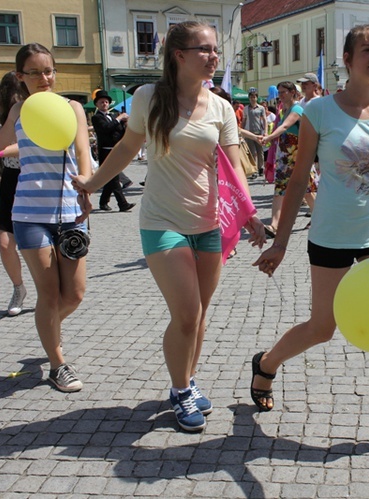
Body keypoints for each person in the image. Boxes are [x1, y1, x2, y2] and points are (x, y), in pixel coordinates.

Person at [250, 24, 369, 465]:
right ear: (349, 59)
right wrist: (280, 243)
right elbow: (299, 179)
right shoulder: (319, 111)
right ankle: (266, 364)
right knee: (323, 328)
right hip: (331, 235)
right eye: (368, 50)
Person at [72, 21, 265, 432]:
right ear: (179, 55)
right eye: (205, 49)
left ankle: (188, 382)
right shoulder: (148, 98)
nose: (214, 56)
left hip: (209, 222)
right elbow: (126, 147)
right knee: (186, 314)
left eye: (216, 50)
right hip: (162, 221)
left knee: (200, 314)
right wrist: (92, 183)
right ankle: (180, 391)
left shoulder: (221, 107)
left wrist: (248, 212)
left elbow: (233, 163)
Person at [0, 43, 92, 392]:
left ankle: (47, 328)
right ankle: (57, 363)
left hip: (71, 212)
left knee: (74, 295)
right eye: (34, 72)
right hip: (30, 213)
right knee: (48, 293)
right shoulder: (19, 110)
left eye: (48, 71)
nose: (44, 78)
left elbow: (82, 153)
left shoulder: (72, 107)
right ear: (21, 76)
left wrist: (87, 188)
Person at [260, 81, 319, 237]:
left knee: (308, 192)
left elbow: (285, 126)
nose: (280, 95)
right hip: (285, 158)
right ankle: (274, 225)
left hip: (299, 158)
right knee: (279, 191)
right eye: (279, 92)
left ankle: (319, 218)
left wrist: (269, 137)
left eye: (283, 92)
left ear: (293, 92)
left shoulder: (297, 109)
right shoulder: (283, 110)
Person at [0, 71, 28, 317]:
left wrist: (1, 149)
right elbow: (0, 143)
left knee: (36, 245)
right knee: (5, 243)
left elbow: (30, 144)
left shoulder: (36, 108)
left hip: (36, 177)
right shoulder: (9, 115)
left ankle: (50, 291)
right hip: (11, 178)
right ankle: (19, 288)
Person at [90, 90, 136, 212]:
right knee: (114, 178)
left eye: (106, 102)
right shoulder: (96, 118)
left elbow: (120, 133)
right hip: (106, 151)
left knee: (109, 178)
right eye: (101, 102)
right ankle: (123, 204)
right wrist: (119, 119)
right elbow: (106, 129)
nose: (104, 104)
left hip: (117, 150)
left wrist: (125, 124)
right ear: (97, 104)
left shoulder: (113, 117)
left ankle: (103, 202)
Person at [241, 89, 267, 171]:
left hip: (258, 131)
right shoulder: (245, 108)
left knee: (260, 151)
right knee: (251, 152)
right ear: (249, 98)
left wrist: (265, 131)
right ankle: (253, 169)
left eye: (254, 97)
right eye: (251, 97)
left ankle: (261, 167)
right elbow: (244, 120)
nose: (253, 99)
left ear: (257, 98)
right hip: (249, 132)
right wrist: (242, 131)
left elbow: (264, 120)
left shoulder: (261, 108)